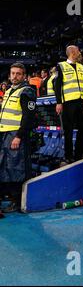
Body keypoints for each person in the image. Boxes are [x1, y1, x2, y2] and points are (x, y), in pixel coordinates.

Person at [0, 63, 37, 214]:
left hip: (15, 135)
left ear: (24, 76)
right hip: (4, 134)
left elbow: (28, 117)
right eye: (13, 73)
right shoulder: (9, 91)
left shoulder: (26, 91)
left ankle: (16, 201)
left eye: (18, 74)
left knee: (17, 168)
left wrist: (19, 136)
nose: (15, 76)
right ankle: (9, 196)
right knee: (6, 167)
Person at [54, 45, 83, 164]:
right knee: (68, 130)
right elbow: (57, 86)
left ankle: (78, 154)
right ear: (73, 53)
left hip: (81, 102)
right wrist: (59, 102)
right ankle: (68, 155)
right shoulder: (61, 66)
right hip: (68, 103)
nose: (80, 52)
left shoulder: (82, 67)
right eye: (78, 50)